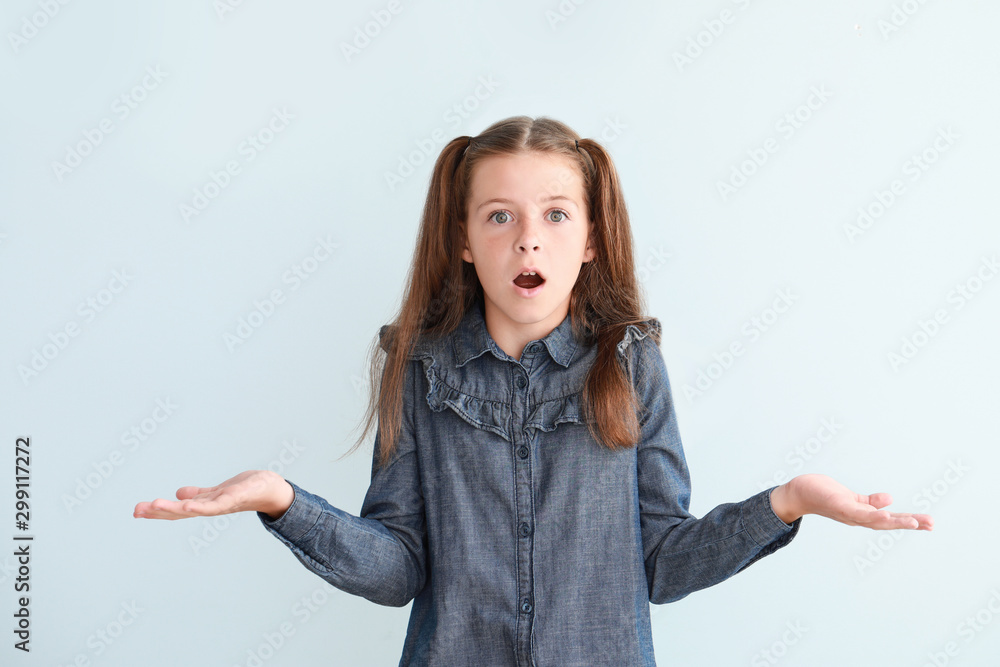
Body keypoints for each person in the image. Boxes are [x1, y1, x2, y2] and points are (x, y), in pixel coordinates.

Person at [133, 116, 933, 666]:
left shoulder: (631, 363)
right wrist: (282, 499)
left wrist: (785, 501)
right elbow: (397, 568)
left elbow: (661, 561)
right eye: (499, 216)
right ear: (463, 239)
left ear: (589, 239)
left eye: (555, 214)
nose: (528, 237)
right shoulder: (418, 366)